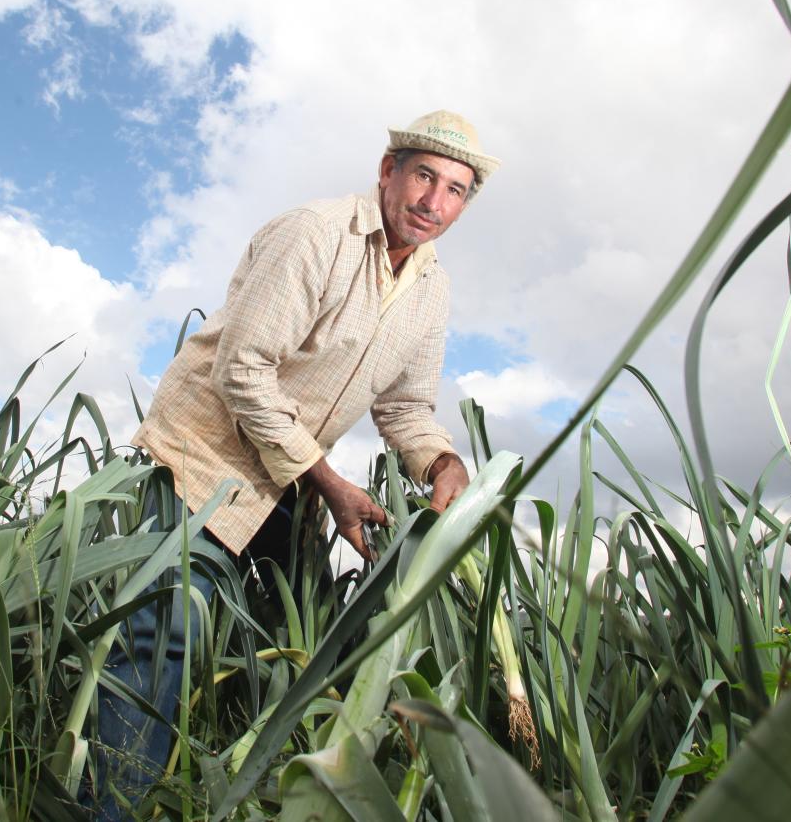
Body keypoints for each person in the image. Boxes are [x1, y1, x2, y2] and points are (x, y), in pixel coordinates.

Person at [92, 110, 500, 818]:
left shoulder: (431, 289)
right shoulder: (316, 234)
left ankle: (230, 798)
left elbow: (405, 408)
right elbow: (243, 372)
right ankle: (108, 810)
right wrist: (332, 484)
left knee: (296, 643)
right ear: (388, 172)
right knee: (164, 641)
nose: (435, 203)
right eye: (424, 178)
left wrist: (441, 465)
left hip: (292, 480)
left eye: (457, 190)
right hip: (205, 460)